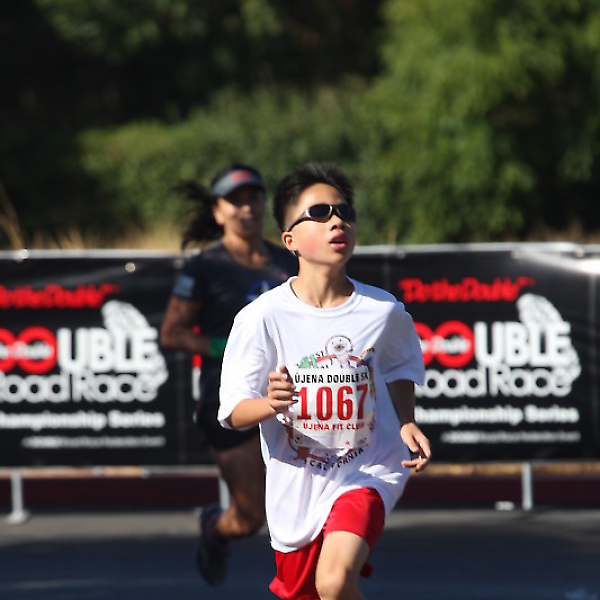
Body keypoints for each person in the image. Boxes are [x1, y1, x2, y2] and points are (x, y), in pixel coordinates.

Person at [217, 162, 431, 600]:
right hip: (297, 488)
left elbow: (399, 365)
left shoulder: (383, 311)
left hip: (367, 472)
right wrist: (270, 404)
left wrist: (407, 420)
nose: (337, 221)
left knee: (333, 582)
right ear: (290, 240)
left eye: (344, 212)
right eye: (319, 213)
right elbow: (234, 411)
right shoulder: (261, 317)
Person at [160, 163, 298, 587]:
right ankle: (215, 528)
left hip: (289, 399)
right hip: (231, 401)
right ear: (218, 211)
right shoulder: (204, 267)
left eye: (254, 198)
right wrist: (227, 346)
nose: (247, 208)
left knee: (305, 506)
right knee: (250, 517)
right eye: (235, 201)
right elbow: (172, 333)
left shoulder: (287, 260)